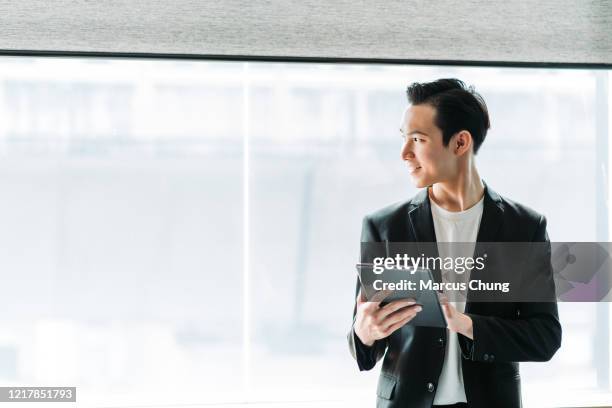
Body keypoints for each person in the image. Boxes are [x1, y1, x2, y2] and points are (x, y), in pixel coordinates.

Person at [347, 79, 562, 408]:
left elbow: (545, 337)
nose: (405, 153)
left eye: (418, 139)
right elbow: (364, 345)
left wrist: (467, 325)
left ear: (460, 142)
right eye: (405, 139)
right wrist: (364, 332)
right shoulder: (385, 227)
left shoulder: (525, 228)